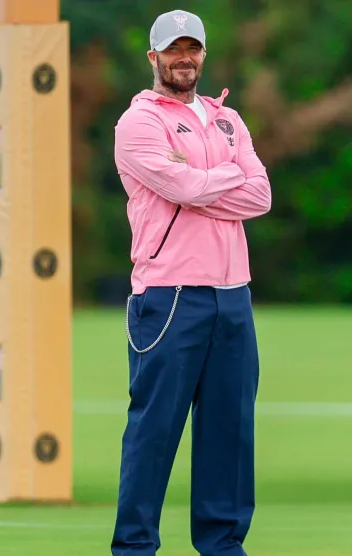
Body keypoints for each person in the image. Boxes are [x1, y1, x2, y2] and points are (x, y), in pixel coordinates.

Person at [109, 9, 272, 556]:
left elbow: (261, 195)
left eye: (193, 48)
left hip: (233, 294)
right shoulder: (139, 122)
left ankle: (223, 545)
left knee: (231, 430)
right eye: (173, 49)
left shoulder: (228, 120)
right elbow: (180, 185)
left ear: (203, 53)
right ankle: (134, 548)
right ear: (153, 57)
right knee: (154, 431)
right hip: (170, 295)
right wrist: (221, 178)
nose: (185, 58)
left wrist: (205, 183)